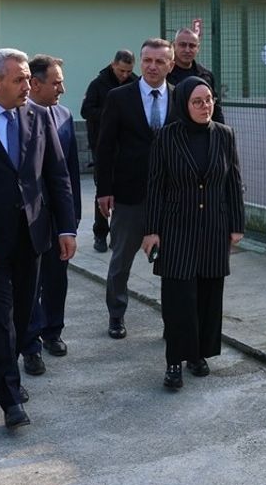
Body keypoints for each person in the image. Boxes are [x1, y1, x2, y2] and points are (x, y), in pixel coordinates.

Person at [0, 49, 76, 428]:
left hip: (33, 236)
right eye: (19, 80)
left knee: (24, 315)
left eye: (29, 78)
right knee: (0, 319)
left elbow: (56, 175)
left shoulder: (40, 116)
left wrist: (66, 227)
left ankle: (7, 367)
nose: (28, 85)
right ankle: (10, 398)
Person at [141, 77, 244, 389]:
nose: (205, 106)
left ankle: (198, 354)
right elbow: (155, 186)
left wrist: (237, 225)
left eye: (209, 100)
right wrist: (151, 230)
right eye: (197, 102)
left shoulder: (224, 135)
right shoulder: (167, 137)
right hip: (176, 229)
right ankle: (175, 359)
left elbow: (233, 182)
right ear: (184, 105)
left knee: (209, 296)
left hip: (214, 227)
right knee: (179, 298)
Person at [95, 38, 175, 339]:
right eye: (147, 60)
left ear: (170, 64)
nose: (152, 66)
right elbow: (105, 147)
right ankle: (116, 315)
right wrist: (105, 188)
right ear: (141, 62)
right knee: (120, 260)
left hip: (170, 197)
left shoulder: (180, 96)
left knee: (172, 264)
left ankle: (172, 319)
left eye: (159, 61)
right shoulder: (119, 97)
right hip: (129, 194)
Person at [23, 54, 83, 369]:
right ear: (35, 83)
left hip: (57, 216)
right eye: (56, 81)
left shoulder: (63, 115)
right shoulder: (16, 117)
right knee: (30, 283)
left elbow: (69, 173)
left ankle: (53, 332)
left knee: (57, 278)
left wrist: (71, 220)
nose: (62, 87)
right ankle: (30, 345)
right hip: (29, 218)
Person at [81, 49, 135, 253]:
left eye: (128, 71)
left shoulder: (134, 83)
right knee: (103, 191)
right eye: (121, 70)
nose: (124, 75)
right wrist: (111, 114)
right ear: (113, 65)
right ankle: (100, 234)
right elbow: (86, 110)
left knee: (124, 192)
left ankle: (119, 234)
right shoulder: (98, 84)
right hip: (102, 145)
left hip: (127, 146)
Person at [167, 28, 224, 123]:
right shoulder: (165, 74)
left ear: (198, 48)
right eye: (182, 45)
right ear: (174, 46)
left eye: (192, 46)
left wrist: (222, 134)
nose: (187, 50)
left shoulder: (205, 75)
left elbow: (216, 108)